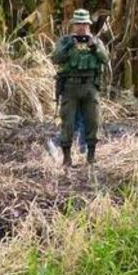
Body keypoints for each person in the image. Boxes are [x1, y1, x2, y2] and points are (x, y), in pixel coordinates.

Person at [51, 9, 109, 167]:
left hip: (90, 86)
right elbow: (55, 58)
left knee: (93, 121)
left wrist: (94, 47)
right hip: (70, 87)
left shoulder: (96, 42)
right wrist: (68, 47)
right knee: (67, 122)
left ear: (89, 25)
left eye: (84, 23)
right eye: (78, 24)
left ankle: (91, 156)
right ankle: (67, 157)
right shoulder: (65, 41)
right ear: (73, 25)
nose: (81, 27)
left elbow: (105, 59)